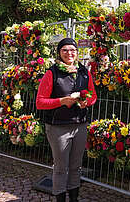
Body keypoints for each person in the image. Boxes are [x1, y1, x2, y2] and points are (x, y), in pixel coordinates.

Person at [36, 38, 97, 202]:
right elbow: (40, 102)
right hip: (58, 127)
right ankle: (60, 198)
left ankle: (74, 199)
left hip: (80, 125)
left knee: (76, 166)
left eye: (73, 50)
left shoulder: (84, 71)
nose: (69, 53)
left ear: (77, 52)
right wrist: (61, 101)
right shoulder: (52, 73)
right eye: (65, 50)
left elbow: (93, 96)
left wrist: (87, 102)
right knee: (61, 167)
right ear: (59, 52)